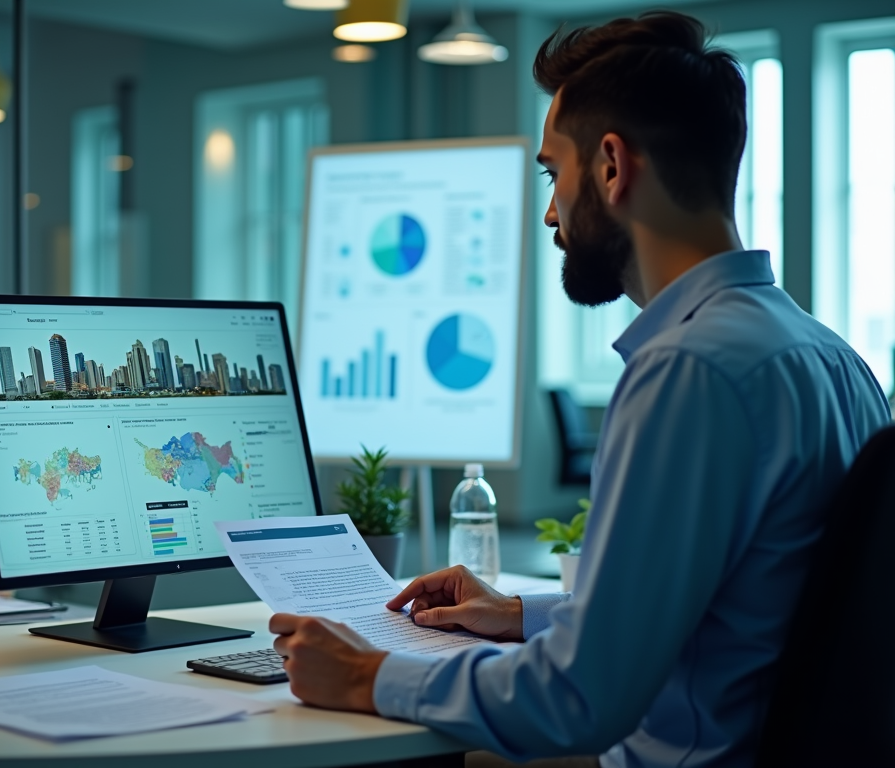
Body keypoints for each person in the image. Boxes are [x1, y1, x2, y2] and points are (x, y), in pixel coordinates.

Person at [270, 11, 892, 768]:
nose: (548, 211)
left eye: (551, 173)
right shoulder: (831, 358)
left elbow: (578, 701)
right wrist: (519, 614)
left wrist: (370, 675)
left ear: (609, 167)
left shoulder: (685, 369)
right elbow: (740, 605)